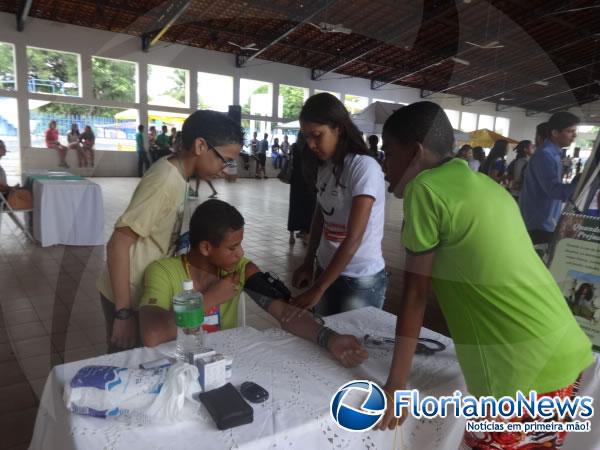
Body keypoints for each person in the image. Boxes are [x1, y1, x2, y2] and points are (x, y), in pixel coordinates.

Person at [376, 101, 593, 449]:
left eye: (388, 153)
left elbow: (416, 295)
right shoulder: (484, 185)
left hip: (521, 370)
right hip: (563, 348)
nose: (384, 164)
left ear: (415, 152)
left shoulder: (425, 189)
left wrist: (396, 386)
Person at [139, 199, 368, 367]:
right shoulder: (163, 271)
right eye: (232, 248)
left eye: (240, 245)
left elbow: (286, 314)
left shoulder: (240, 269)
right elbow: (152, 335)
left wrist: (330, 339)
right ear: (206, 247)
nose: (241, 253)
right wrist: (212, 298)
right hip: (176, 366)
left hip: (222, 364)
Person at [97, 110, 242, 353]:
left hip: (145, 289)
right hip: (126, 293)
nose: (224, 169)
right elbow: (118, 243)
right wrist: (122, 313)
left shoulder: (178, 176)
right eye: (222, 159)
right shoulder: (165, 181)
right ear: (200, 145)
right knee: (129, 365)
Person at [283, 93, 387, 319]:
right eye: (306, 137)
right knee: (324, 340)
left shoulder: (363, 167)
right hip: (327, 270)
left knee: (353, 344)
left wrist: (318, 289)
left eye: (317, 135)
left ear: (338, 128)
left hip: (360, 278)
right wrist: (309, 261)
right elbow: (321, 214)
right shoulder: (325, 166)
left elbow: (354, 238)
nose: (310, 144)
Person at [519, 112, 580, 245]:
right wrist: (580, 183)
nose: (574, 136)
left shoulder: (554, 154)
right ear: (555, 133)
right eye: (570, 131)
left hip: (546, 220)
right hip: (539, 223)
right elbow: (554, 191)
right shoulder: (545, 155)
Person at [287, 133, 317, 245]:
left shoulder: (295, 147)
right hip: (309, 181)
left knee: (294, 207)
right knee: (309, 208)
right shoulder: (310, 148)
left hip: (296, 182)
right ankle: (306, 234)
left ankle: (291, 235)